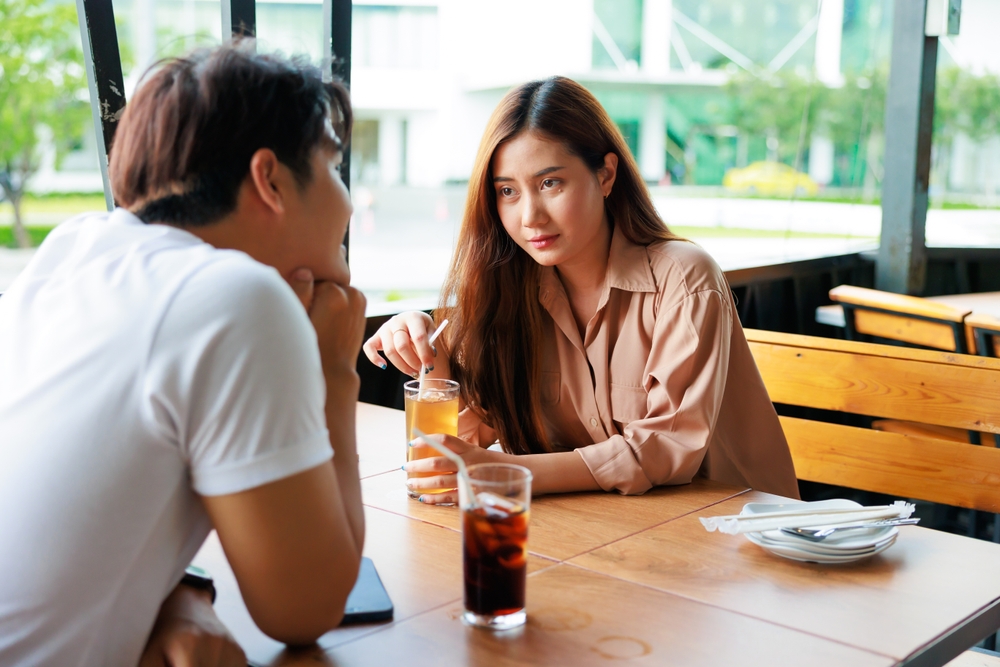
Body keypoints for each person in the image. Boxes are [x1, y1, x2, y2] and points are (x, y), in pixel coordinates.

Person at [0, 43, 366, 666]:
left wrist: (183, 592)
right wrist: (333, 370)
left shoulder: (72, 253)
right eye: (333, 169)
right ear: (270, 179)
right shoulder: (234, 297)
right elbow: (305, 608)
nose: (348, 200)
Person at [363, 76, 798, 502]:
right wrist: (426, 349)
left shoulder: (684, 280)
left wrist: (500, 470)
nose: (530, 216)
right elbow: (460, 442)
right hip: (608, 532)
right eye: (508, 191)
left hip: (739, 537)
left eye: (550, 183)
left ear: (606, 175)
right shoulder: (509, 292)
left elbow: (666, 450)